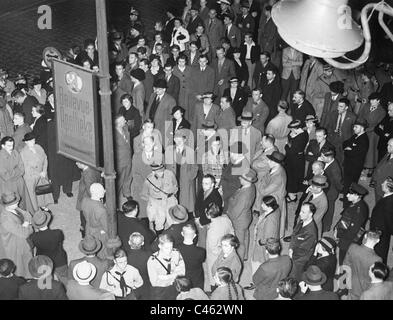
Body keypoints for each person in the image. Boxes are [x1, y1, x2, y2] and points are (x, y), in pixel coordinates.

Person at [28, 210, 68, 285]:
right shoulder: (58, 232)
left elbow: (31, 247)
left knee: (46, 282)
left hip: (44, 262)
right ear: (48, 221)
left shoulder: (33, 237)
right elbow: (61, 239)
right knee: (64, 277)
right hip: (59, 260)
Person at [334, 182, 369, 265]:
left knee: (342, 259)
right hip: (345, 234)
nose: (347, 196)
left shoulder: (359, 211)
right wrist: (336, 228)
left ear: (357, 196)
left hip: (348, 241)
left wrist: (339, 237)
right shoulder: (355, 203)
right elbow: (345, 219)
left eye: (350, 194)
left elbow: (352, 231)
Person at [342, 230, 383, 300]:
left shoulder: (353, 247)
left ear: (365, 236)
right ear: (378, 240)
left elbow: (345, 265)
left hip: (351, 284)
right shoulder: (377, 259)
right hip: (365, 289)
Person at [0, 192, 33, 278]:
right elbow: (24, 234)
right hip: (15, 244)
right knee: (22, 262)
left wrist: (25, 224)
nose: (18, 203)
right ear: (8, 206)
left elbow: (27, 214)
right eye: (15, 203)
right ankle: (25, 277)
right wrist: (27, 224)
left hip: (19, 237)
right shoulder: (5, 219)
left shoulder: (14, 208)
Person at [165, 130, 198, 215]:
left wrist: (189, 176)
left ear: (185, 140)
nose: (178, 140)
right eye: (176, 138)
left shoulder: (190, 152)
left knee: (186, 205)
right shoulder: (169, 151)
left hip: (186, 182)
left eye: (180, 138)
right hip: (173, 181)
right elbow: (166, 166)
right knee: (174, 205)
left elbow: (194, 167)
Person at [226, 169, 257, 260]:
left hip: (239, 220)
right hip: (246, 217)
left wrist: (228, 216)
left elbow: (236, 211)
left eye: (242, 177)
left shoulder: (244, 195)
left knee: (239, 242)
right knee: (245, 236)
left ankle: (239, 259)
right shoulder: (251, 187)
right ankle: (245, 256)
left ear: (247, 180)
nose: (239, 178)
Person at [19, 132, 52, 213]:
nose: (32, 142)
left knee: (42, 191)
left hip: (42, 174)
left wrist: (44, 171)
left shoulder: (38, 147)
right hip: (31, 177)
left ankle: (43, 205)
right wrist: (39, 174)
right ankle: (36, 210)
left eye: (33, 140)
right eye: (30, 141)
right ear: (26, 142)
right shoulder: (23, 152)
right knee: (32, 194)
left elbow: (45, 158)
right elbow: (27, 168)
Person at [141, 163, 178, 232]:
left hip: (170, 200)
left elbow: (175, 185)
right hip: (157, 203)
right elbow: (144, 193)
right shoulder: (149, 179)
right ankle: (159, 236)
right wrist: (152, 204)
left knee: (172, 220)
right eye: (157, 171)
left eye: (161, 171)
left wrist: (173, 195)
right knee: (159, 222)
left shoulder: (170, 174)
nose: (160, 173)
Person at [147, 234, 186, 300]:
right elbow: (154, 282)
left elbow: (182, 272)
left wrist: (166, 277)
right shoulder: (152, 260)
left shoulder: (176, 253)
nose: (170, 250)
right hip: (159, 291)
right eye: (166, 248)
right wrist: (171, 279)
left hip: (175, 288)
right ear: (160, 246)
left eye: (171, 247)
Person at [205, 203, 235, 289]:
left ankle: (214, 291)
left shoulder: (212, 231)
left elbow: (213, 248)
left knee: (214, 274)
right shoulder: (226, 219)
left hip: (215, 256)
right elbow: (232, 232)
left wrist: (221, 254)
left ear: (208, 214)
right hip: (227, 248)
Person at [0, 136, 32, 211]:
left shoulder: (15, 152)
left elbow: (22, 168)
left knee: (23, 200)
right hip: (7, 184)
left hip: (19, 182)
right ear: (3, 146)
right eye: (9, 145)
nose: (11, 147)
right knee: (10, 203)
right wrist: (16, 172)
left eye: (12, 145)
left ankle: (24, 216)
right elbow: (5, 175)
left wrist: (14, 172)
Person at [358, 92, 387, 177]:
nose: (371, 102)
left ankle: (371, 168)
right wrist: (360, 126)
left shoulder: (382, 111)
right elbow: (360, 116)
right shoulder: (366, 106)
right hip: (363, 130)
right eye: (370, 100)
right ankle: (363, 166)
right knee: (363, 149)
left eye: (373, 100)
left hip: (373, 133)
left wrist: (365, 129)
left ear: (379, 101)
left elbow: (377, 125)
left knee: (371, 151)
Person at [250, 196, 281, 273]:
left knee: (258, 261)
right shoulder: (276, 210)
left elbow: (267, 237)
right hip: (268, 239)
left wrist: (260, 242)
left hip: (262, 244)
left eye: (263, 204)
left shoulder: (270, 220)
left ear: (269, 206)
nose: (261, 205)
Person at [288, 202, 318, 281]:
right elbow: (294, 234)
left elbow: (303, 250)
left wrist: (292, 254)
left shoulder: (311, 232)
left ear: (310, 214)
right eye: (301, 211)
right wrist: (291, 247)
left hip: (300, 258)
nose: (300, 213)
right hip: (295, 251)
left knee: (295, 276)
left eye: (303, 212)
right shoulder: (303, 220)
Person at [342, 119, 370, 199]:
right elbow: (345, 143)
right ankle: (345, 197)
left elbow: (353, 153)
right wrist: (348, 148)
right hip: (349, 164)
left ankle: (348, 202)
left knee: (351, 185)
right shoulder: (356, 135)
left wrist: (348, 150)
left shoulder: (364, 140)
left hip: (354, 167)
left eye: (356, 127)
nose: (354, 128)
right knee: (347, 183)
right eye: (354, 127)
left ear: (362, 128)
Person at [194, 174, 223, 248]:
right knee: (201, 240)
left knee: (205, 243)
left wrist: (201, 222)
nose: (204, 186)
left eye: (206, 184)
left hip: (208, 222)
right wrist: (197, 217)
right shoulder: (202, 191)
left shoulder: (216, 197)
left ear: (212, 184)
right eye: (203, 183)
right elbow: (197, 205)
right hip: (199, 219)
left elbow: (213, 214)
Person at [81, 183, 109, 259]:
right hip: (98, 232)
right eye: (102, 190)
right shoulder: (102, 210)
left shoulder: (84, 200)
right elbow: (106, 226)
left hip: (88, 228)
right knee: (101, 250)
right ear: (99, 193)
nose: (104, 191)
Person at [319, 147, 343, 233]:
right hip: (327, 189)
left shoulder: (335, 169)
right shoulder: (328, 162)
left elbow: (338, 184)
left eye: (323, 157)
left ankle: (327, 226)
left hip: (331, 192)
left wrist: (337, 191)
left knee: (329, 209)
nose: (321, 158)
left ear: (329, 158)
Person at [75, 162, 102, 238]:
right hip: (90, 194)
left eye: (78, 162)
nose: (76, 163)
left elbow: (90, 190)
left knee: (84, 215)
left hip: (86, 198)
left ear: (83, 163)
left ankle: (84, 231)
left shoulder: (87, 174)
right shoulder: (92, 167)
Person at [285, 120, 309, 202]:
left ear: (296, 128)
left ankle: (293, 196)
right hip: (292, 158)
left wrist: (287, 146)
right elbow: (289, 141)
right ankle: (290, 193)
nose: (291, 130)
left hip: (296, 159)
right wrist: (289, 144)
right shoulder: (298, 133)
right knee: (290, 175)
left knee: (294, 177)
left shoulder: (302, 136)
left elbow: (291, 150)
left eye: (292, 129)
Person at [371, 177, 393, 263]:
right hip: (381, 228)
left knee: (380, 252)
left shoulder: (388, 203)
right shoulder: (388, 198)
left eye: (383, 183)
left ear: (388, 188)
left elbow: (389, 222)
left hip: (381, 231)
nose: (381, 184)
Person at [178, 224, 206, 290]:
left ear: (182, 234)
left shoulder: (176, 249)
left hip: (183, 278)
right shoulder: (201, 251)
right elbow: (202, 260)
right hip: (197, 278)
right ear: (195, 235)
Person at [126, 232, 152, 300]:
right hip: (146, 285)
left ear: (129, 242)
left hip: (132, 287)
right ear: (143, 243)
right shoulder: (149, 254)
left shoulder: (125, 257)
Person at [114, 115, 133, 206]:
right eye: (123, 120)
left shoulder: (125, 129)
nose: (125, 121)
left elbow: (133, 124)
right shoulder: (113, 134)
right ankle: (115, 196)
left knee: (128, 176)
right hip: (120, 160)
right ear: (117, 123)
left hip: (128, 158)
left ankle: (126, 192)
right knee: (119, 179)